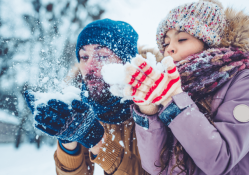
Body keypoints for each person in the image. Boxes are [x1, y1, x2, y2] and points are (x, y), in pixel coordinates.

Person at [124, 0, 249, 174]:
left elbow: (219, 160)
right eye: (165, 43)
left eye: (181, 39)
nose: (169, 49)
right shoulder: (173, 89)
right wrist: (148, 112)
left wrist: (175, 103)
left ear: (210, 42)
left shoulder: (245, 84)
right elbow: (156, 167)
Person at [24, 19, 162, 175]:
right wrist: (68, 139)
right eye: (84, 57)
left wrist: (98, 142)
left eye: (102, 56)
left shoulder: (158, 104)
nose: (89, 67)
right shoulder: (83, 106)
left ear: (126, 61)